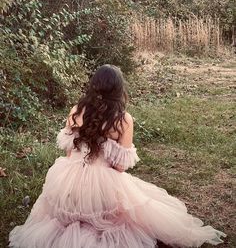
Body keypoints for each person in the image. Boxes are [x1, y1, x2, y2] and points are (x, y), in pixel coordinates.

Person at [9, 64, 226, 248]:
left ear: (93, 86)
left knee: (62, 213)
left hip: (67, 180)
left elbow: (68, 152)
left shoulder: (76, 110)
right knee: (130, 204)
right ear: (118, 89)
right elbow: (120, 166)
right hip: (102, 180)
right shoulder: (122, 119)